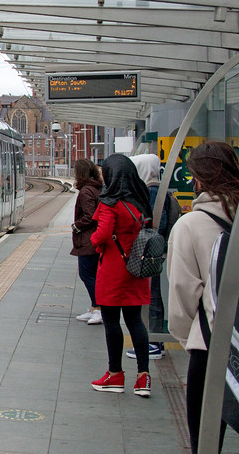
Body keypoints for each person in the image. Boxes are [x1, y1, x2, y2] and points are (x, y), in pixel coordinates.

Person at [168, 141, 239, 453]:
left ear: (199, 178)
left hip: (211, 348)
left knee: (206, 442)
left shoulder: (190, 224)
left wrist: (190, 338)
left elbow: (183, 293)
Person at [89, 153, 153, 397]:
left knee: (112, 321)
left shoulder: (109, 202)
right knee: (135, 321)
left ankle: (115, 375)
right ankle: (143, 377)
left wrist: (95, 243)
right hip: (136, 267)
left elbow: (102, 234)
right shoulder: (141, 198)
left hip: (114, 269)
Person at [126, 154, 177, 361]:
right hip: (154, 251)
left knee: (152, 296)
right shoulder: (154, 189)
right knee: (152, 295)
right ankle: (154, 341)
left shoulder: (153, 191)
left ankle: (154, 343)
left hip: (151, 253)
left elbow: (157, 223)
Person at [70, 159, 103, 325]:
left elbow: (90, 215)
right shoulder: (96, 188)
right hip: (93, 239)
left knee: (86, 274)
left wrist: (76, 226)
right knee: (93, 274)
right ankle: (93, 308)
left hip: (88, 240)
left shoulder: (86, 192)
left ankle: (98, 309)